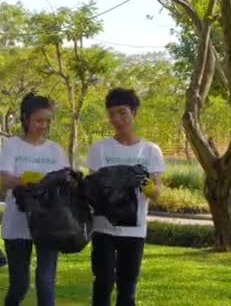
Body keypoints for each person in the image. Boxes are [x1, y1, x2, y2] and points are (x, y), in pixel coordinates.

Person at [86, 88, 165, 306]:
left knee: (127, 287)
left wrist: (143, 181)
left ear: (134, 112)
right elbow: (91, 188)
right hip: (103, 228)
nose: (117, 119)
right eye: (112, 114)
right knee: (103, 283)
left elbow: (157, 193)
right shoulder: (100, 148)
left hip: (135, 229)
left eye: (122, 112)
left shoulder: (150, 150)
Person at [0, 92, 69, 306]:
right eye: (39, 120)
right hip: (17, 223)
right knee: (20, 284)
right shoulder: (13, 145)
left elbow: (64, 182)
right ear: (26, 119)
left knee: (46, 281)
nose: (43, 125)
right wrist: (25, 180)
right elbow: (5, 180)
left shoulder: (55, 150)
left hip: (49, 223)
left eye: (47, 120)